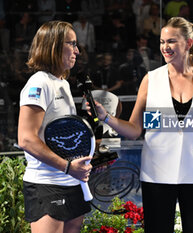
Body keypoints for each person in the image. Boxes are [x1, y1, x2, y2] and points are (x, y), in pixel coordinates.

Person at [89, 16, 193, 233]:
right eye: (162, 41)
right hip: (156, 173)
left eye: (171, 41)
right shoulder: (151, 79)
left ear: (188, 43)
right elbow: (134, 130)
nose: (164, 47)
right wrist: (105, 117)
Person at [17, 21, 92, 233]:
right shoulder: (38, 83)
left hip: (71, 181)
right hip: (46, 185)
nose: (77, 50)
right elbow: (26, 139)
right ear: (54, 46)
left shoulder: (63, 83)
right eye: (72, 44)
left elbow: (65, 140)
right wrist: (68, 167)